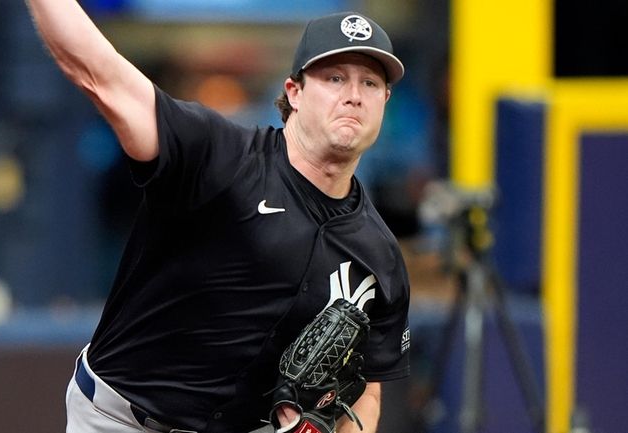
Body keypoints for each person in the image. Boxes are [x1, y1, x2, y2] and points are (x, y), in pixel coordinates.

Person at [25, 2, 411, 432]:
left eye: (370, 83)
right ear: (295, 92)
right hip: (123, 419)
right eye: (335, 78)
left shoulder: (379, 255)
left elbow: (367, 393)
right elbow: (99, 73)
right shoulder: (220, 156)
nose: (354, 94)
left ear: (384, 101)